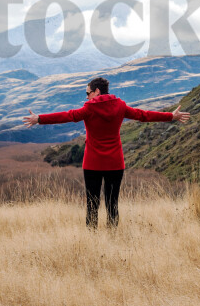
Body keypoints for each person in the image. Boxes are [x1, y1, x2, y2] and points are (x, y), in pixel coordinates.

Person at [23, 77, 190, 228]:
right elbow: (143, 115)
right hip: (115, 163)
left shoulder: (88, 109)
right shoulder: (120, 106)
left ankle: (93, 239)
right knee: (112, 204)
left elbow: (67, 116)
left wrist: (39, 119)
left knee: (92, 204)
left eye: (88, 93)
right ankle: (112, 237)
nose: (86, 97)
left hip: (92, 163)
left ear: (97, 92)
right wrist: (170, 116)